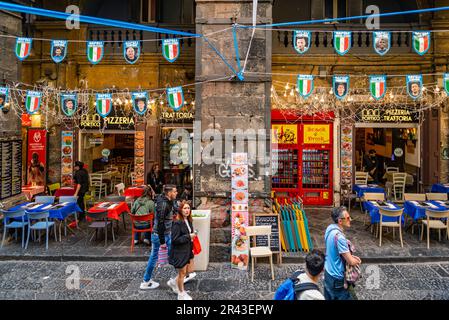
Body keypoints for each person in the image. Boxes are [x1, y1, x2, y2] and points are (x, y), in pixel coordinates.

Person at [140, 184, 177, 290]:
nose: (176, 193)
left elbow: (156, 195)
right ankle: (146, 281)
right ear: (169, 193)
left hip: (164, 234)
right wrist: (162, 242)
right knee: (156, 257)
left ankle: (180, 276)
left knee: (172, 254)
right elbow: (160, 223)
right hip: (160, 236)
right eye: (175, 191)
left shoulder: (162, 198)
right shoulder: (163, 205)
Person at [324, 206, 361, 300]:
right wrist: (357, 260)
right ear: (340, 221)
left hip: (328, 273)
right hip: (337, 278)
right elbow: (351, 261)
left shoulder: (330, 228)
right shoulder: (340, 238)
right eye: (348, 218)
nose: (350, 220)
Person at [168, 201, 197, 300]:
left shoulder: (188, 220)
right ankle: (181, 294)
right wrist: (189, 236)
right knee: (182, 273)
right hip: (180, 252)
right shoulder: (177, 223)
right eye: (185, 208)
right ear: (180, 210)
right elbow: (175, 240)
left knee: (189, 270)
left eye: (188, 208)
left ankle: (173, 282)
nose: (187, 210)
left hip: (188, 249)